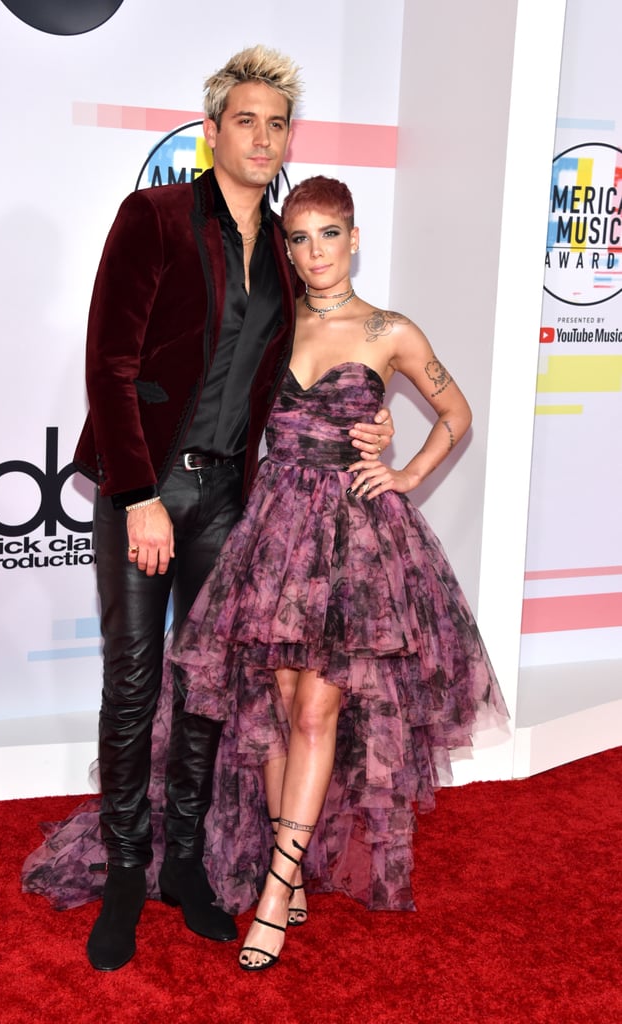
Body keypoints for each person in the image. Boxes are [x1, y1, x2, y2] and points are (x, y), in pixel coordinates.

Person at [51, 50, 393, 973]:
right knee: (134, 683)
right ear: (213, 132)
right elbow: (110, 367)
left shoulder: (287, 250)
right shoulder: (154, 217)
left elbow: (316, 362)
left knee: (207, 693)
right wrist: (137, 497)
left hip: (233, 500)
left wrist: (376, 416)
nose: (262, 137)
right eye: (245, 120)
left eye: (277, 124)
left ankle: (185, 869)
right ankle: (127, 871)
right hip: (147, 492)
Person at [168, 175, 508, 971]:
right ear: (284, 247)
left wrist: (407, 471)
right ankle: (290, 878)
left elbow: (456, 414)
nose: (314, 252)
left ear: (355, 238)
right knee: (282, 708)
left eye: (329, 234)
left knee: (318, 713)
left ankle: (276, 894)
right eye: (298, 238)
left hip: (351, 543)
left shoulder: (391, 330)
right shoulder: (271, 324)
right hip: (274, 532)